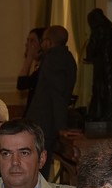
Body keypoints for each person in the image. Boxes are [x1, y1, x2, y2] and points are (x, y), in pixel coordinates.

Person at [25, 25, 77, 158]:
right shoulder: (67, 57)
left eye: (43, 40)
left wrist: (61, 127)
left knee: (38, 164)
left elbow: (57, 94)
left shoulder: (53, 59)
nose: (41, 44)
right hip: (48, 123)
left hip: (45, 124)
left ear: (48, 42)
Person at [16, 27, 47, 111]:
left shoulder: (45, 68)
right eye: (28, 40)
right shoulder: (38, 66)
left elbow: (21, 84)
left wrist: (29, 57)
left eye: (32, 41)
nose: (27, 44)